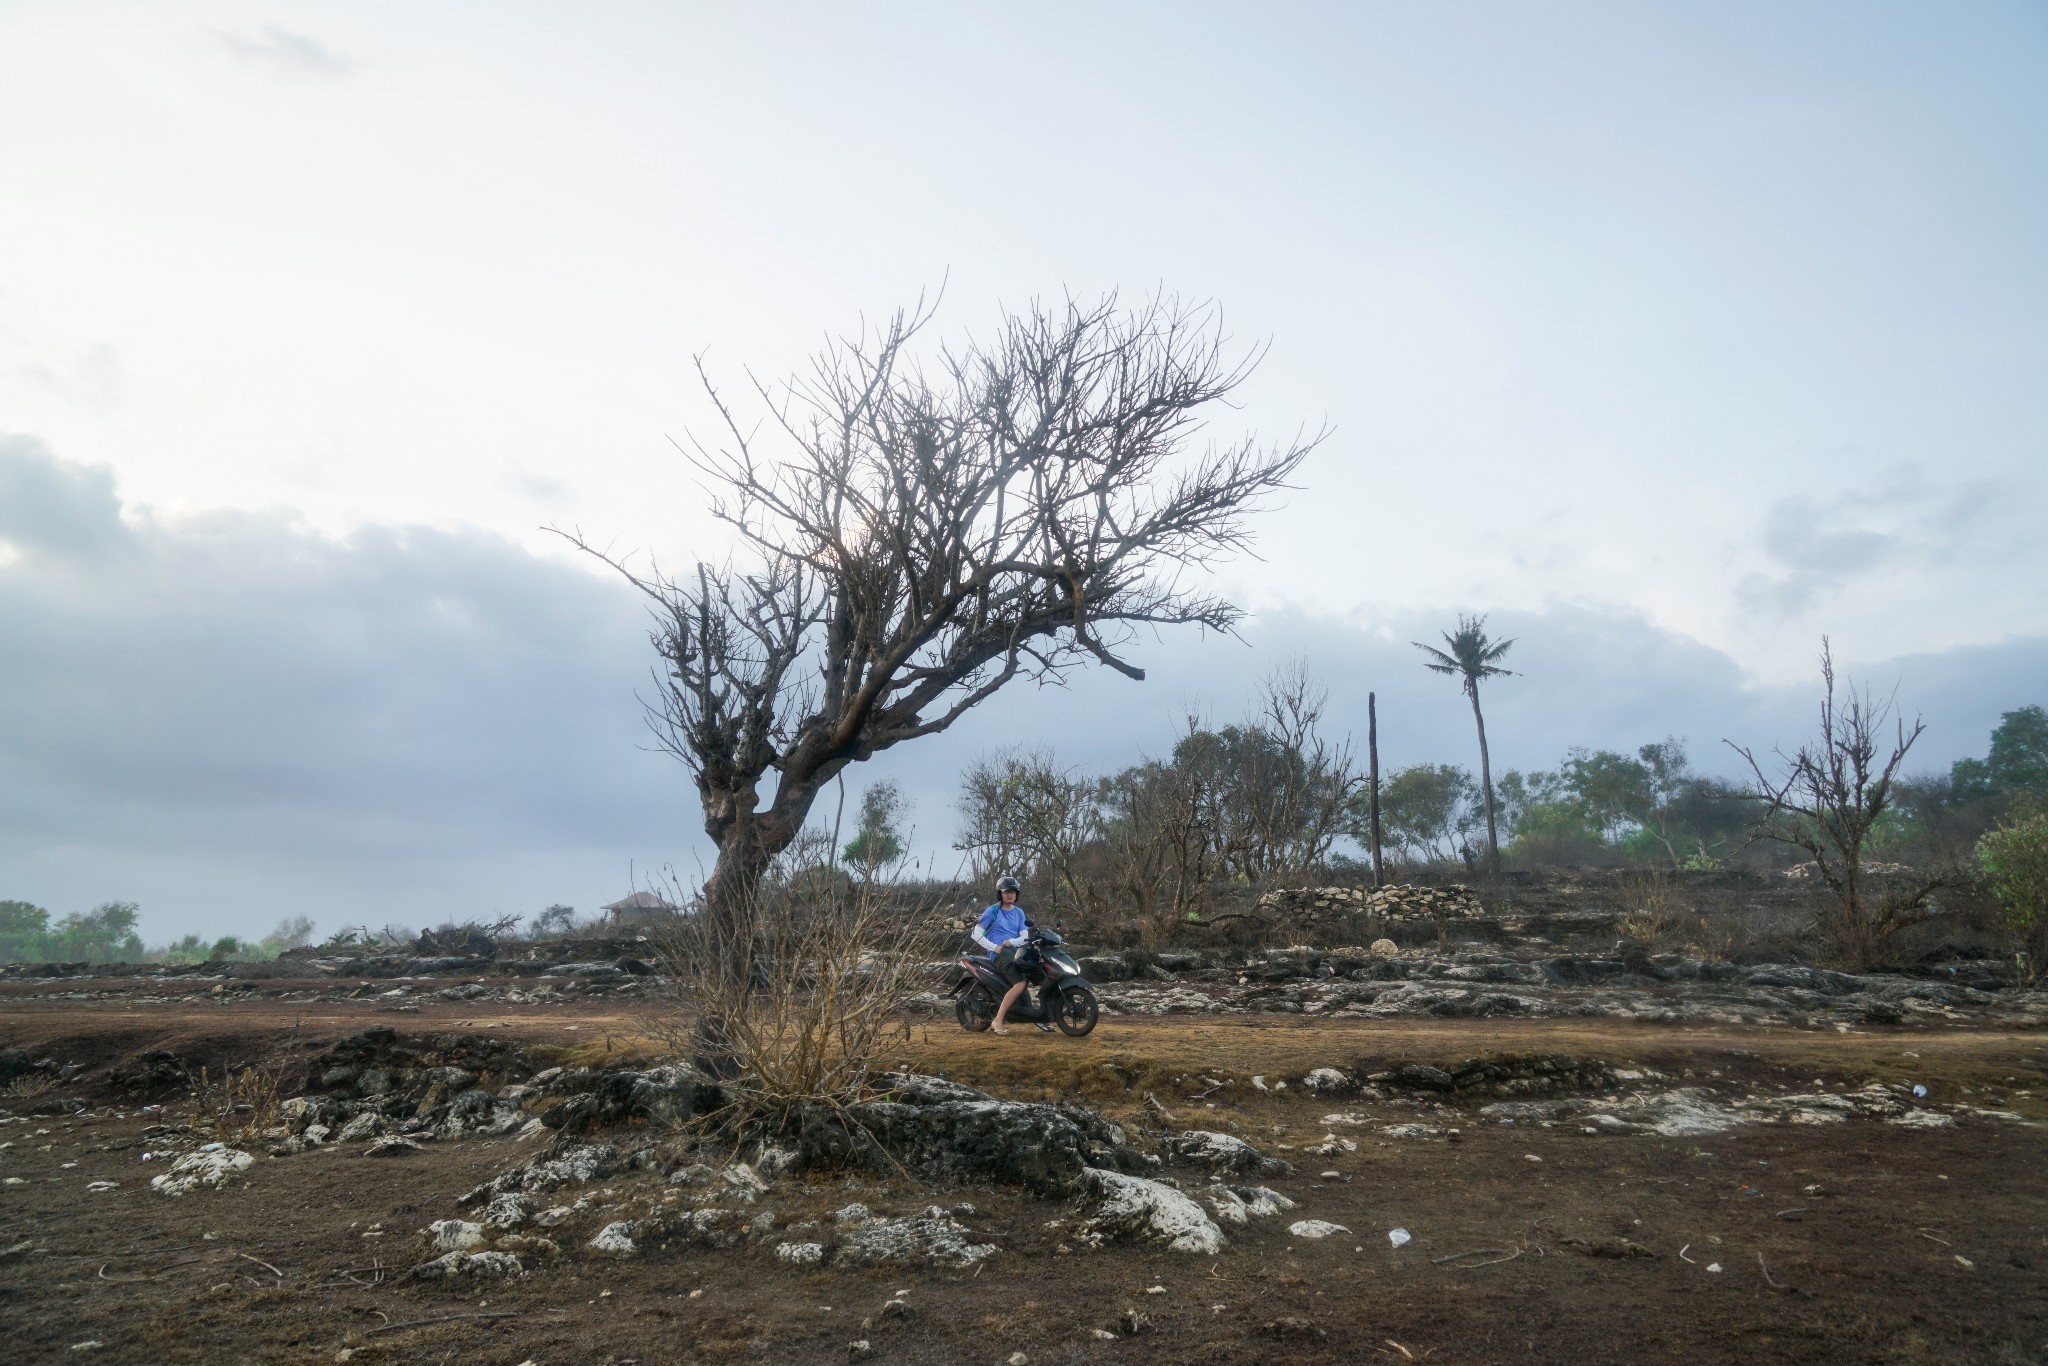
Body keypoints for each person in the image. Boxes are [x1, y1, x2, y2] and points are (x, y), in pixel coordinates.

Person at [970, 875, 1045, 1035]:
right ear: (1000, 894)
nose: (1010, 895)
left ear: (1017, 894)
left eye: (1013, 892)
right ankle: (997, 1020)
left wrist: (1012, 942)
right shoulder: (993, 911)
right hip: (1000, 954)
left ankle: (1035, 1017)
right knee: (1019, 984)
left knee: (1037, 974)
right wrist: (993, 947)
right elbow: (976, 934)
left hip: (1015, 951)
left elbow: (1024, 936)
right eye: (1006, 892)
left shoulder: (1019, 912)